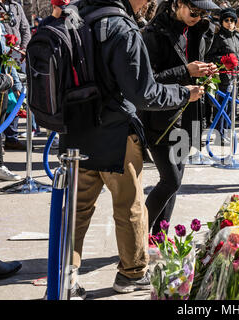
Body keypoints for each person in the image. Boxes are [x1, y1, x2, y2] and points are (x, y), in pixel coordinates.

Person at [58, 0, 205, 298]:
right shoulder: (122, 27)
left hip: (77, 132)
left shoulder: (76, 15)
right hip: (116, 133)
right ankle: (132, 274)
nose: (150, 2)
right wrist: (183, 93)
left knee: (78, 209)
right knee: (130, 207)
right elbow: (144, 93)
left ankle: (66, 277)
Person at [139, 0, 218, 237]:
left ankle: (158, 235)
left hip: (189, 114)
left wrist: (206, 71)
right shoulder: (154, 33)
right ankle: (137, 237)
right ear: (177, 4)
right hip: (160, 118)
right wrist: (186, 72)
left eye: (203, 13)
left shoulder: (199, 31)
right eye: (194, 11)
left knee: (176, 181)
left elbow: (195, 66)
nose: (198, 17)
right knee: (170, 181)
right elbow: (148, 81)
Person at [206, 7, 239, 140]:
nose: (229, 22)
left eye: (232, 20)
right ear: (222, 21)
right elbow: (209, 56)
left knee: (232, 108)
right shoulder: (218, 37)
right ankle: (220, 134)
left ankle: (229, 132)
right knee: (221, 108)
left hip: (236, 77)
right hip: (223, 76)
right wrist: (224, 60)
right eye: (226, 20)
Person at [0, 0, 30, 151]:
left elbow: (25, 29)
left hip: (16, 56)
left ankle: (12, 137)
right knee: (6, 93)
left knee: (16, 96)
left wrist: (23, 49)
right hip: (2, 54)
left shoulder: (16, 6)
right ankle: (2, 137)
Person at [0, 22, 23, 181]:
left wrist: (14, 82)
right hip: (1, 82)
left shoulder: (0, 27)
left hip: (1, 89)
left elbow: (5, 58)